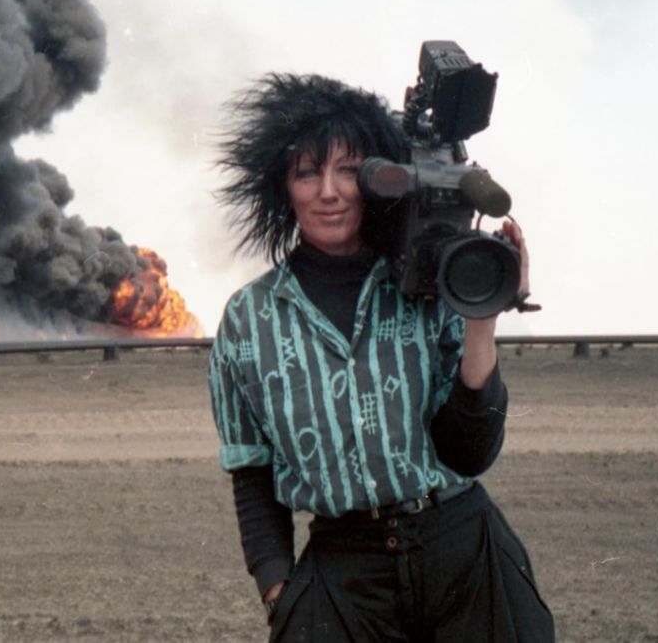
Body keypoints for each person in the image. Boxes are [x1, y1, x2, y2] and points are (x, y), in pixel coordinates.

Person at [208, 73, 554, 642]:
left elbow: (470, 454)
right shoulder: (248, 321)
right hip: (342, 576)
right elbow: (252, 475)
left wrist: (480, 324)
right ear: (282, 188)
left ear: (378, 182)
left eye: (348, 169)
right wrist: (280, 594)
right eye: (306, 172)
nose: (329, 191)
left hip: (465, 558)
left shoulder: (427, 286)